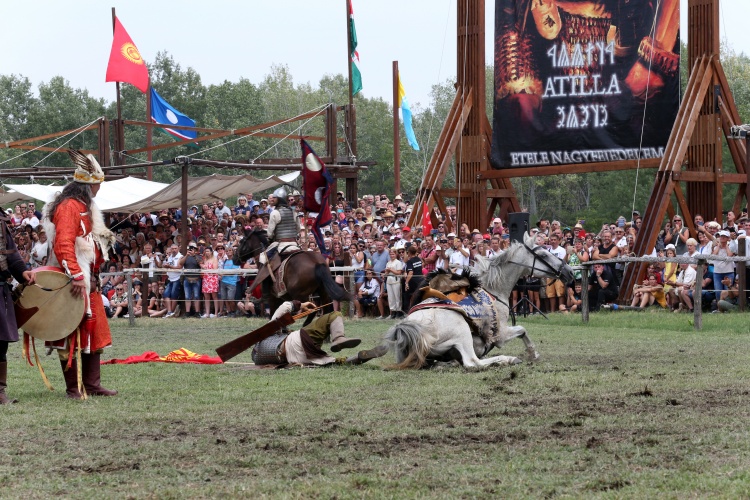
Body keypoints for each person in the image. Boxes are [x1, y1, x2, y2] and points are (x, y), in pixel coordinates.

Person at [41, 150, 117, 399]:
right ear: (87, 186)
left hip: (87, 281)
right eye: (97, 185)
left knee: (93, 330)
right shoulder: (68, 207)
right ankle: (73, 388)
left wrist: (92, 274)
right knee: (69, 332)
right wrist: (75, 275)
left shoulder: (85, 206)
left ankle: (92, 384)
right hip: (71, 281)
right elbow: (64, 243)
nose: (99, 190)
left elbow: (89, 241)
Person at [252, 301, 379, 367]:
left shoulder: (266, 358)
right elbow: (284, 306)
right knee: (334, 315)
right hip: (298, 340)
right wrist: (301, 304)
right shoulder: (266, 333)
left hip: (299, 358)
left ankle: (357, 358)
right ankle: (339, 338)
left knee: (334, 362)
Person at [0, 210, 35, 404]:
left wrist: (23, 272)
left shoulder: (1, 221)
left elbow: (10, 255)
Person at [178, 241, 202, 318]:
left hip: (196, 279)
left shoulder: (199, 257)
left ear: (195, 250)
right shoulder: (185, 257)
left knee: (196, 296)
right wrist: (187, 255)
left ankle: (197, 312)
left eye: (193, 249)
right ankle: (187, 312)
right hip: (187, 279)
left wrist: (194, 256)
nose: (191, 250)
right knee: (187, 296)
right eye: (190, 249)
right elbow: (181, 264)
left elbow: (201, 263)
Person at [161, 244, 183, 318]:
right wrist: (165, 265)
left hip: (177, 278)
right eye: (172, 249)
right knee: (166, 294)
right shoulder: (170, 257)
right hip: (170, 278)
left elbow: (179, 267)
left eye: (175, 248)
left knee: (174, 295)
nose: (174, 250)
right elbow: (165, 266)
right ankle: (170, 312)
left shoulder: (180, 257)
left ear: (178, 249)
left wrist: (169, 266)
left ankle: (171, 312)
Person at [383, 249, 405, 319]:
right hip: (389, 281)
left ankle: (398, 311)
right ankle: (393, 311)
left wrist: (391, 270)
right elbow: (386, 273)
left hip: (396, 281)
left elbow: (398, 272)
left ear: (396, 255)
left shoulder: (398, 262)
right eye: (391, 254)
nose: (392, 256)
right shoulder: (388, 263)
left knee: (397, 297)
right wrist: (385, 273)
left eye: (393, 254)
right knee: (391, 297)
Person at [200, 246, 220, 318]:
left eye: (208, 251)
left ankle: (216, 313)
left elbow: (215, 269)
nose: (207, 253)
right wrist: (202, 265)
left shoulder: (214, 259)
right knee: (206, 296)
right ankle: (207, 313)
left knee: (214, 296)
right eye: (206, 251)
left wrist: (206, 268)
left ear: (211, 252)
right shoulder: (205, 259)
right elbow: (201, 264)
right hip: (205, 279)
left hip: (213, 279)